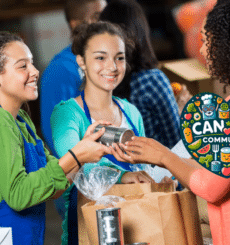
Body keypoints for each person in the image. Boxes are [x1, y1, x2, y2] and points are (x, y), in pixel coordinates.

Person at [115, 0, 230, 244]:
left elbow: (212, 187)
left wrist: (163, 156)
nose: (202, 51)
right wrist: (165, 159)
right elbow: (228, 169)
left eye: (207, 42)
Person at [0, 31, 113, 245]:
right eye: (22, 66)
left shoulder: (20, 119)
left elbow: (54, 186)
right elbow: (19, 195)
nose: (34, 71)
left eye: (32, 64)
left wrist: (85, 152)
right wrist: (76, 155)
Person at [50, 21, 155, 245]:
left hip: (137, 226)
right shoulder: (68, 114)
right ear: (81, 61)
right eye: (100, 57)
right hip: (89, 229)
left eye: (119, 57)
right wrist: (124, 176)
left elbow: (144, 165)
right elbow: (73, 164)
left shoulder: (132, 112)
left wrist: (155, 178)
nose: (113, 66)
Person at [99, 0, 181, 149]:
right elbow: (175, 141)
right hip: (157, 170)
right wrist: (181, 110)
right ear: (141, 32)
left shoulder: (97, 82)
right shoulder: (151, 81)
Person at [40, 0, 107, 155]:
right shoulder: (60, 70)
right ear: (75, 24)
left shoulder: (109, 60)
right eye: (98, 16)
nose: (106, 23)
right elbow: (57, 134)